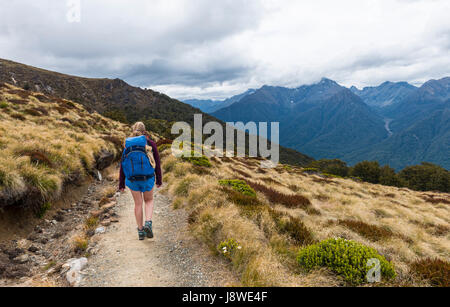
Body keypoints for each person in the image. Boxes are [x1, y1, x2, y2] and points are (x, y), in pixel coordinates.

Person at [119, 122, 162, 240]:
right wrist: (159, 179)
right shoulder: (150, 143)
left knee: (138, 204)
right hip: (147, 178)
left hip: (132, 180)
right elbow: (157, 163)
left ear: (133, 130)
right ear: (145, 131)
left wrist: (121, 183)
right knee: (148, 200)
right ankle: (148, 222)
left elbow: (122, 165)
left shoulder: (127, 144)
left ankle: (141, 231)